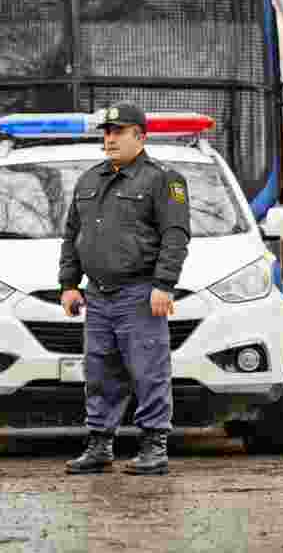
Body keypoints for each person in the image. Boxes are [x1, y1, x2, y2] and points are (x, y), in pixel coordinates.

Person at [59, 101, 191, 475]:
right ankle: (99, 445)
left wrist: (164, 284)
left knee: (149, 370)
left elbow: (175, 236)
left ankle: (154, 447)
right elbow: (72, 235)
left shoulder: (164, 179)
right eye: (107, 132)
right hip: (98, 295)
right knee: (99, 372)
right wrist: (69, 284)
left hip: (140, 293)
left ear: (140, 136)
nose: (110, 138)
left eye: (119, 132)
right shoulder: (88, 180)